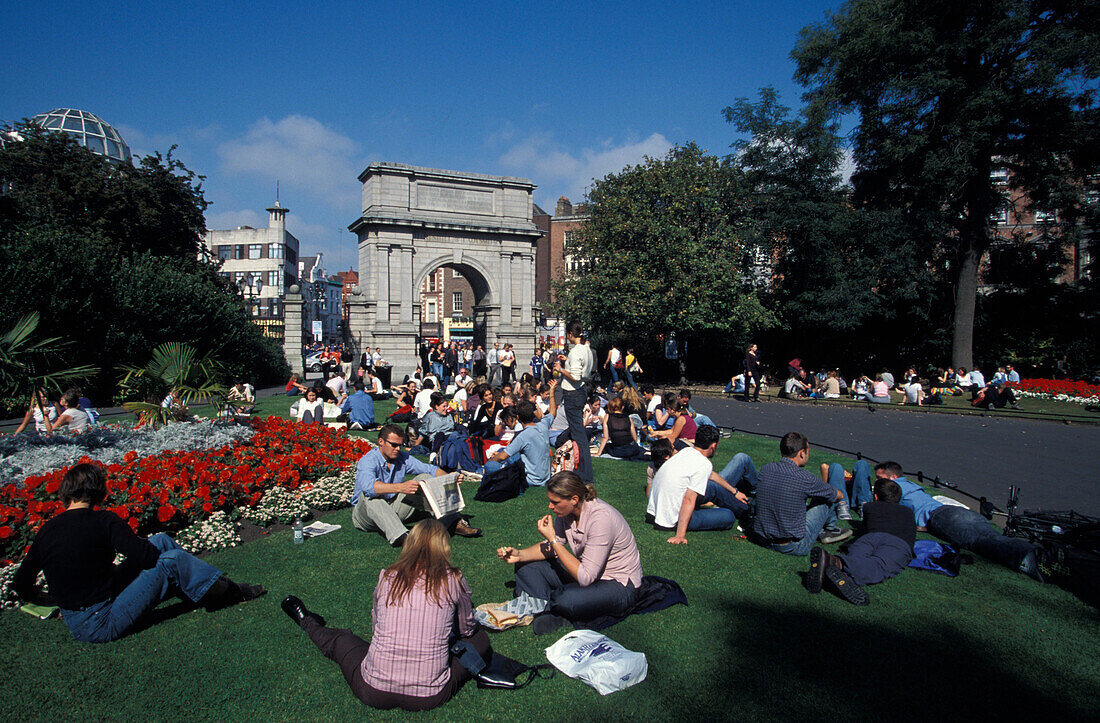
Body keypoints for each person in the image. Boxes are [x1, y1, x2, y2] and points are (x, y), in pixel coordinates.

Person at [14, 463, 264, 643]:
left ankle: (202, 589)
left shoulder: (48, 530)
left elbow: (21, 583)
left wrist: (53, 601)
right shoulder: (103, 521)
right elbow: (146, 558)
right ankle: (229, 592)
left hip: (80, 615)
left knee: (162, 540)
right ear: (98, 490)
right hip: (102, 620)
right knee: (171, 561)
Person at [282, 519, 491, 711]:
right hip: (429, 694)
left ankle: (306, 621)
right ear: (444, 547)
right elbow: (467, 628)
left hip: (373, 689)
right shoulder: (452, 578)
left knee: (341, 640)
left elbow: (377, 625)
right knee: (480, 640)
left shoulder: (388, 575)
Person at [496, 471, 642, 634]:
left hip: (618, 585)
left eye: (555, 502)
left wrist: (553, 540)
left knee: (565, 598)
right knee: (525, 566)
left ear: (574, 499)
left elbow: (585, 577)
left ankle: (546, 605)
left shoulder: (601, 519)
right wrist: (519, 554)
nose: (550, 507)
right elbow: (552, 546)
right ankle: (546, 606)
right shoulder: (566, 513)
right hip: (588, 573)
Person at [877, 460, 1044, 580]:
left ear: (892, 478)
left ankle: (1028, 559)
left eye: (879, 477)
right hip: (954, 511)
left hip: (942, 516)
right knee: (989, 534)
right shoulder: (912, 486)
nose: (877, 481)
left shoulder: (895, 488)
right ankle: (1033, 553)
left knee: (979, 541)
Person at [350, 424, 481, 545]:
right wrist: (400, 487)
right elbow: (369, 488)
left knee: (426, 478)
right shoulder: (368, 461)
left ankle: (452, 522)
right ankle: (403, 537)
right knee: (371, 497)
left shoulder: (401, 457)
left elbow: (430, 470)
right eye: (393, 445)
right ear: (381, 442)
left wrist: (449, 478)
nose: (397, 449)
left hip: (391, 508)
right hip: (366, 515)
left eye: (399, 445)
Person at [805, 477, 916, 605]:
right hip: (897, 542)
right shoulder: (908, 512)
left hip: (869, 538)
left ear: (875, 496)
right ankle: (836, 563)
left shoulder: (870, 507)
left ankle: (835, 567)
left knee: (856, 557)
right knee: (879, 566)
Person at [646, 426, 753, 543]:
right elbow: (689, 499)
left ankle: (746, 509)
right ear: (714, 446)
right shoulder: (703, 463)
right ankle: (749, 511)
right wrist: (680, 535)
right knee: (729, 517)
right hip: (670, 520)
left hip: (653, 514)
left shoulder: (685, 452)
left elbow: (711, 475)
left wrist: (735, 492)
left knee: (712, 487)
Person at [752, 432, 853, 556]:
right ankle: (829, 529)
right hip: (791, 546)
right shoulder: (805, 478)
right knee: (827, 497)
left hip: (761, 539)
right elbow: (838, 495)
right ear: (802, 453)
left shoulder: (766, 469)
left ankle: (826, 528)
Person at [554, 321, 596, 485]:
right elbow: (582, 372)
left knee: (578, 435)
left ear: (571, 334)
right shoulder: (586, 349)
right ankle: (581, 470)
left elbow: (575, 376)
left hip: (573, 392)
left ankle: (584, 473)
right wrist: (567, 362)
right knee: (578, 433)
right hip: (580, 390)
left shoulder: (576, 351)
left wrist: (561, 368)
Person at [483, 394, 556, 487]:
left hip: (530, 480)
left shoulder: (523, 436)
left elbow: (502, 457)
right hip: (545, 478)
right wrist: (552, 393)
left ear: (517, 416)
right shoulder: (543, 425)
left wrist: (490, 461)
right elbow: (553, 412)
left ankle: (481, 471)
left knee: (490, 466)